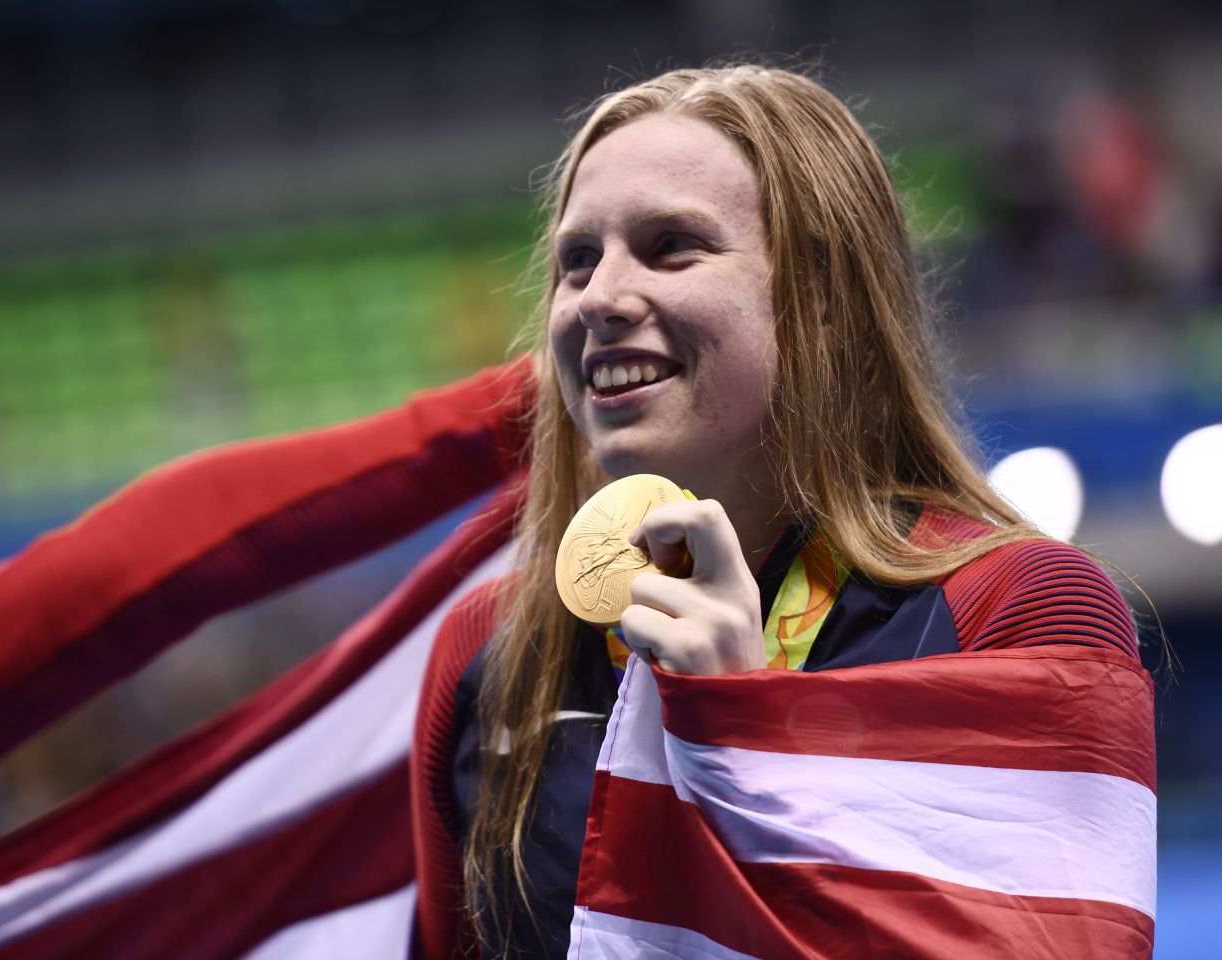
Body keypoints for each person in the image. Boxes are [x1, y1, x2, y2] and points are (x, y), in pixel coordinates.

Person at [408, 63, 1152, 958]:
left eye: (671, 244)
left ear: (824, 301)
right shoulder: (490, 653)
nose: (598, 298)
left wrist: (742, 726)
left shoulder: (1022, 607)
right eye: (577, 260)